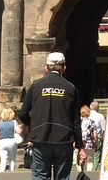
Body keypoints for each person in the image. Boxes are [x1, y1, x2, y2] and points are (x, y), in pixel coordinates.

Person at [19, 52, 86, 180]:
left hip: (40, 138)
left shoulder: (36, 86)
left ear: (46, 68)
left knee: (40, 175)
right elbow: (76, 120)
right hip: (63, 139)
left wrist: (35, 125)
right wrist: (79, 146)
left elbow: (22, 113)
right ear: (64, 68)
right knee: (62, 177)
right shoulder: (70, 88)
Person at [0, 107, 20, 171]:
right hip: (12, 141)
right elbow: (18, 131)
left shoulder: (0, 123)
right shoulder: (14, 122)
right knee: (12, 159)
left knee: (3, 160)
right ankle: (12, 173)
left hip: (2, 141)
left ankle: (2, 174)